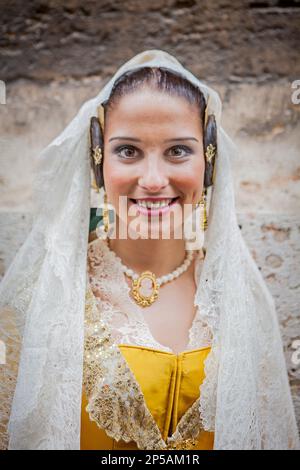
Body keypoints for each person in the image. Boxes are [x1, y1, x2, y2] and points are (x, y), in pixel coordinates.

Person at [0, 49, 299, 450]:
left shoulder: (238, 301)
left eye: (178, 150)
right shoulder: (41, 296)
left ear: (209, 162)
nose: (155, 179)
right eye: (128, 151)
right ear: (97, 159)